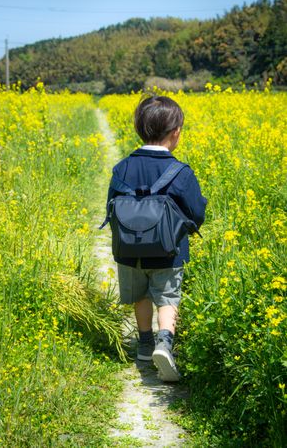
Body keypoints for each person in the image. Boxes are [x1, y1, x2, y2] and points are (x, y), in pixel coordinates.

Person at [105, 95, 207, 382]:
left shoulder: (121, 168)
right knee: (167, 298)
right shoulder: (180, 171)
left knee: (140, 295)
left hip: (128, 252)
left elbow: (110, 208)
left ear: (139, 128)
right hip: (168, 250)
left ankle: (144, 342)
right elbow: (196, 212)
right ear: (175, 132)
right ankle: (164, 343)